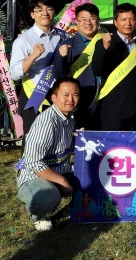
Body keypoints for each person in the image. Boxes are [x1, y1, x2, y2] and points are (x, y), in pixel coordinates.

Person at [16, 78, 80, 232]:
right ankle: (37, 216)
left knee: (92, 179)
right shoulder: (47, 121)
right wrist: (62, 181)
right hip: (33, 176)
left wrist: (80, 138)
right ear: (54, 97)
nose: (71, 99)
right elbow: (33, 162)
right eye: (66, 95)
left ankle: (72, 208)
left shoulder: (69, 118)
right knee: (47, 197)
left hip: (61, 169)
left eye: (75, 95)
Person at [10, 0, 67, 137]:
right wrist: (33, 56)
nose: (45, 13)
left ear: (54, 12)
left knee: (57, 138)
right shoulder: (24, 40)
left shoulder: (63, 36)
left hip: (58, 95)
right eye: (39, 10)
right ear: (32, 14)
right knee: (33, 139)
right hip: (34, 95)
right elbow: (14, 74)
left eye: (49, 9)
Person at [92, 3, 136, 131]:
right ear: (115, 22)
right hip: (113, 108)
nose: (128, 23)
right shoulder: (105, 42)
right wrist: (105, 48)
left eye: (132, 19)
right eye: (123, 19)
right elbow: (97, 70)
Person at [54, 3, 102, 129]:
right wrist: (61, 57)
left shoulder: (107, 41)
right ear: (76, 22)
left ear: (98, 20)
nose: (88, 23)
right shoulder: (68, 45)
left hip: (105, 102)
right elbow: (59, 76)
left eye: (92, 18)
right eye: (83, 19)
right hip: (80, 102)